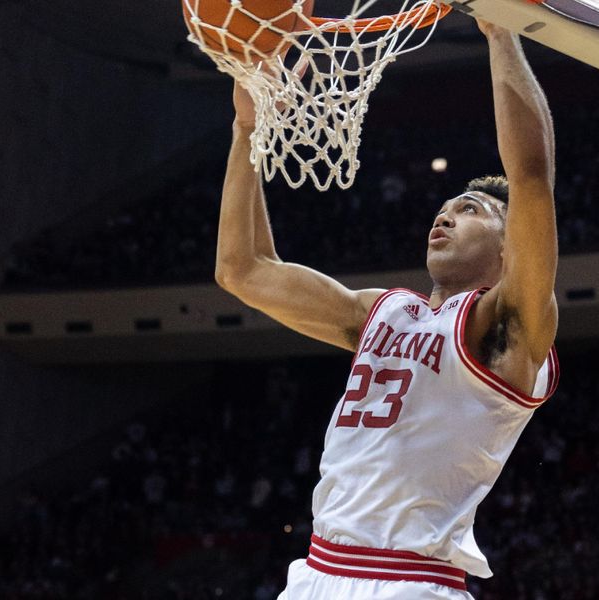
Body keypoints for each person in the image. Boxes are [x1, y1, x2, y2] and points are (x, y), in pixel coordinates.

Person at [215, 18, 560, 600]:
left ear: (510, 247)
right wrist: (248, 128)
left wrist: (501, 34)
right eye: (446, 206)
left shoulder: (507, 334)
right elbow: (241, 269)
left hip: (412, 583)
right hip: (315, 573)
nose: (445, 215)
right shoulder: (382, 312)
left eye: (471, 209)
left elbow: (530, 178)